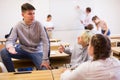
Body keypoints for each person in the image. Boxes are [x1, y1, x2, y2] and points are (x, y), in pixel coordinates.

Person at [0, 3, 51, 72]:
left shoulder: (39, 25)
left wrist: (45, 59)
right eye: (30, 14)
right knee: (4, 51)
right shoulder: (18, 25)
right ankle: (11, 74)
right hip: (24, 51)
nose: (32, 16)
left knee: (44, 70)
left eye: (33, 13)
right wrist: (10, 47)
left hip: (37, 52)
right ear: (23, 15)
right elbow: (10, 40)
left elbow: (46, 42)